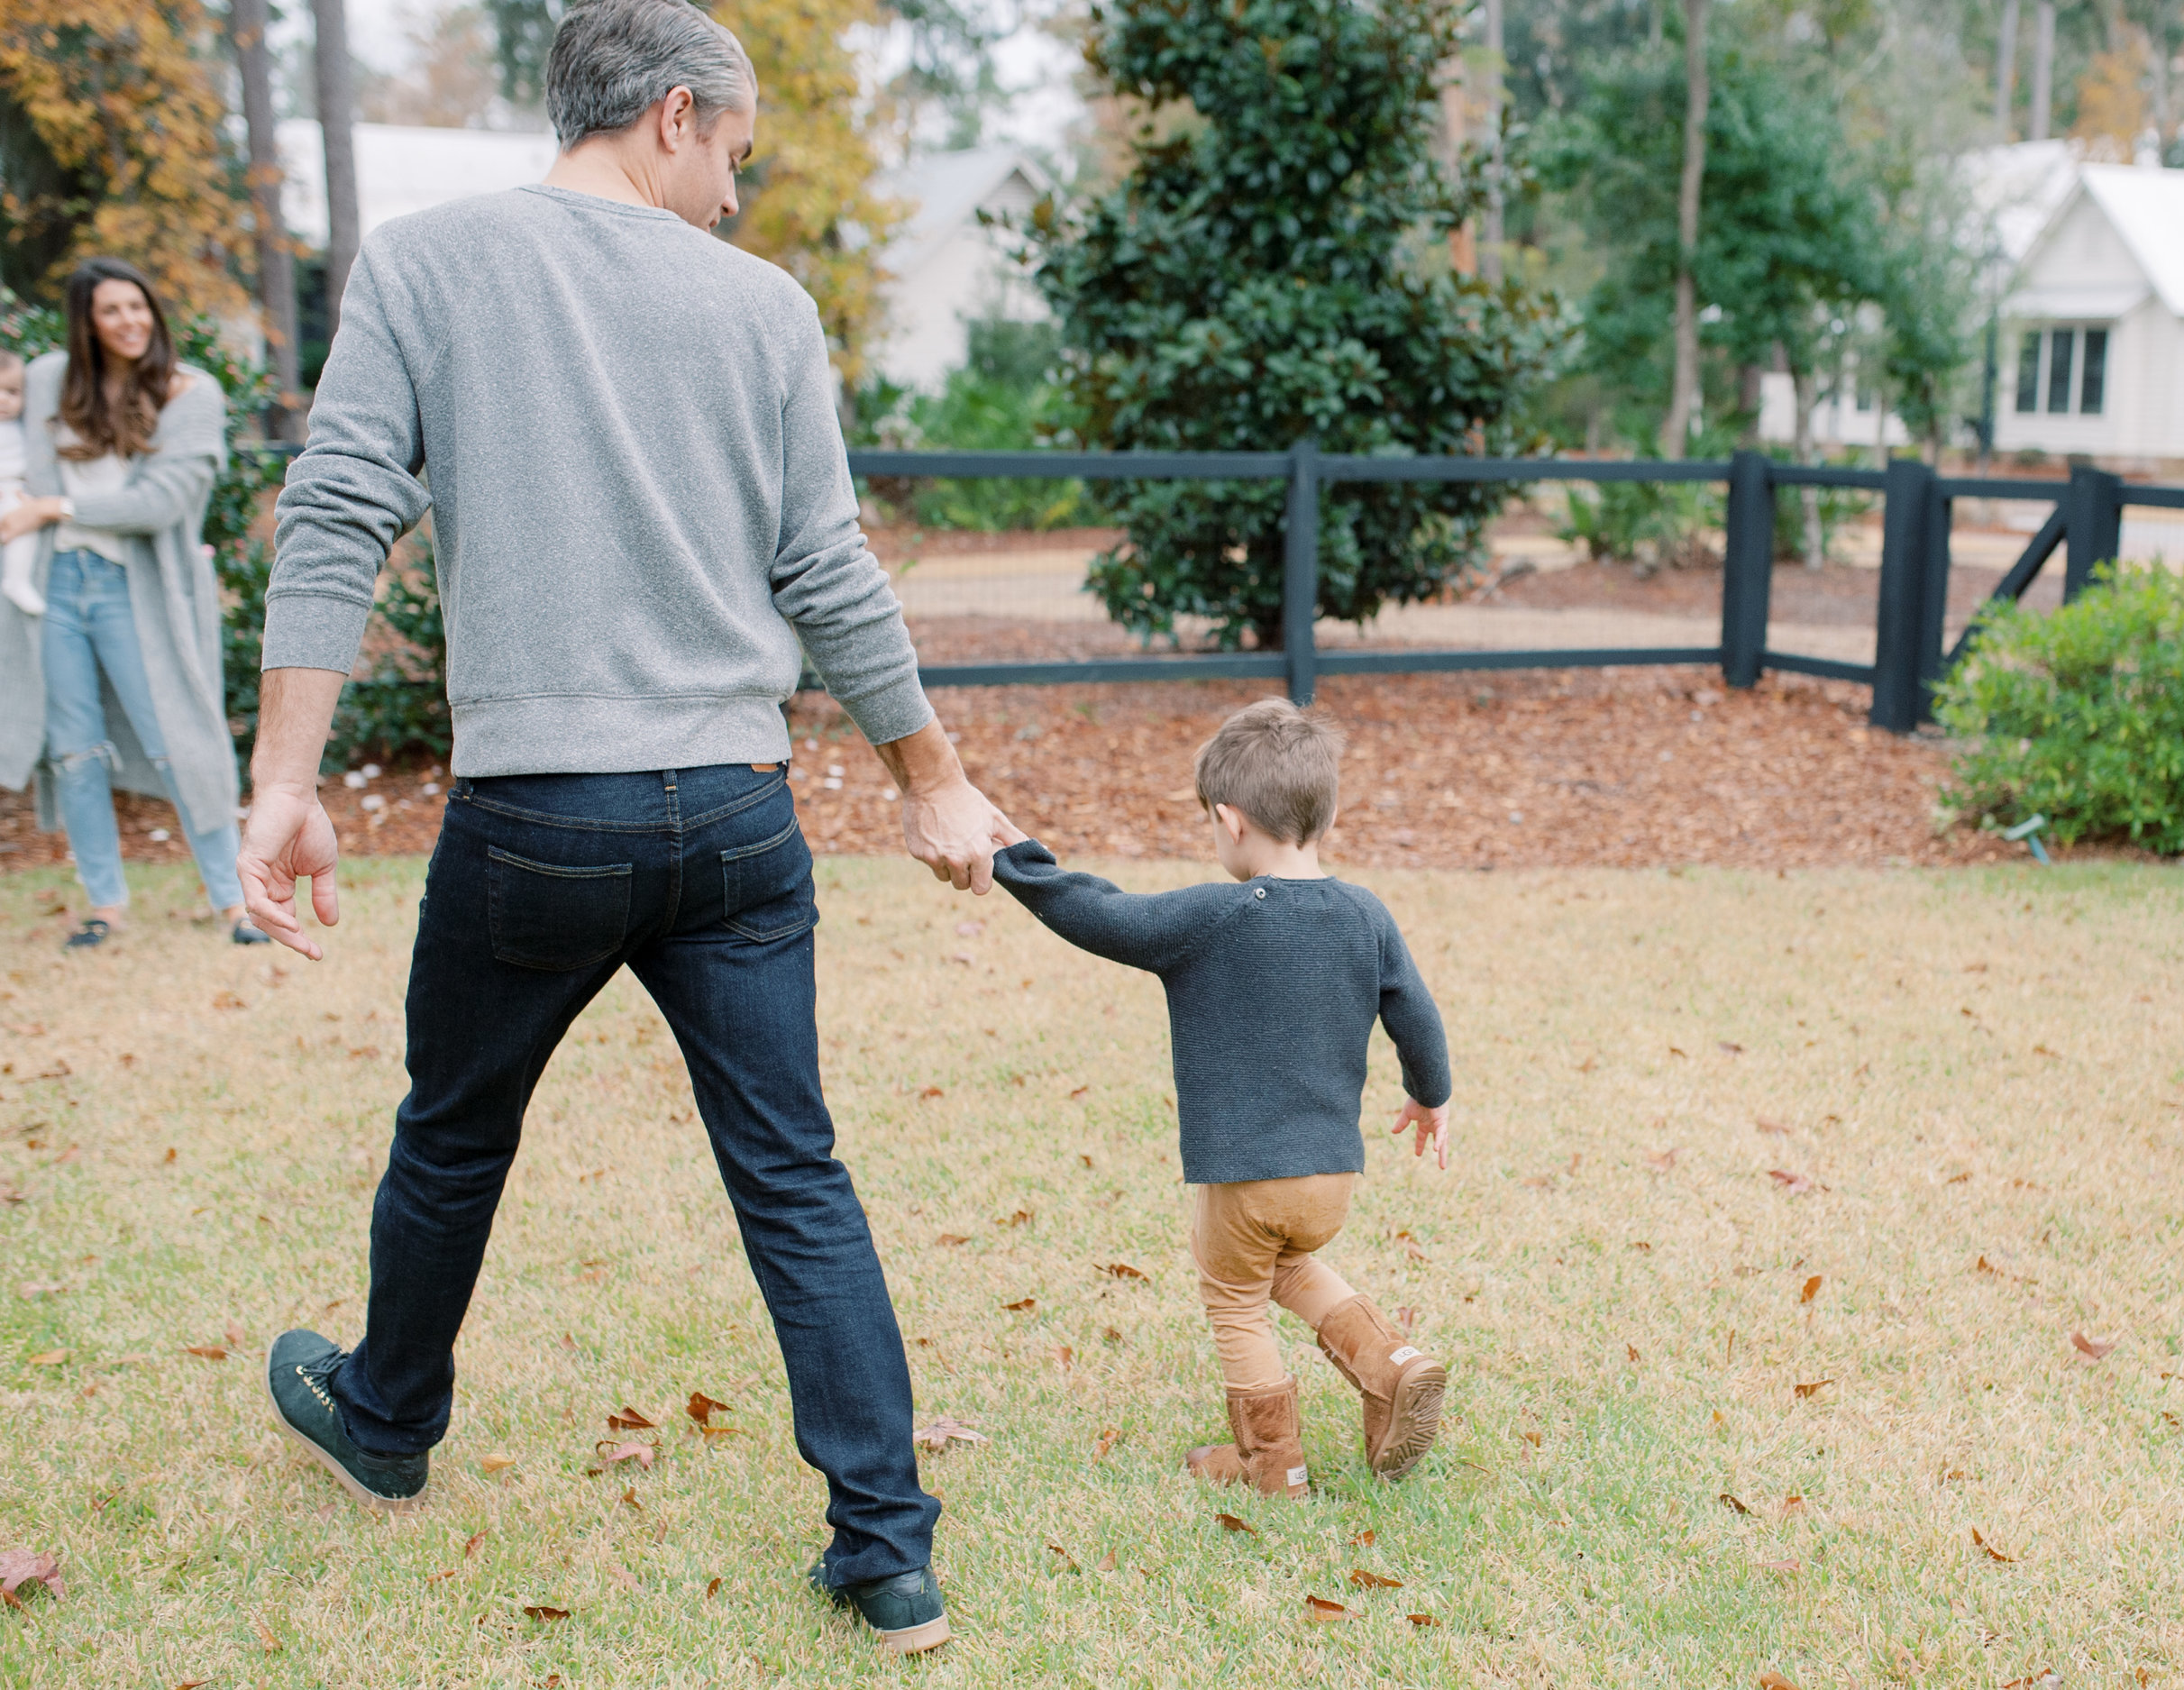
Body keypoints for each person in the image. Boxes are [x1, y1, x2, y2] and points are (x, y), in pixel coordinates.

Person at [239, 0, 1002, 1658]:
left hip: (537, 824)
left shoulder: (426, 265)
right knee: (794, 1174)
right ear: (670, 116)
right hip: (736, 818)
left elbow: (338, 517)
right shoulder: (765, 309)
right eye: (731, 154)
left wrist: (283, 783)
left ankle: (385, 1421)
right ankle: (888, 1554)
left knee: (453, 1137)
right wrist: (929, 779)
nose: (735, 195)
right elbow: (832, 576)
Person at [990, 699, 1454, 1496]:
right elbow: (1415, 1009)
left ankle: (1272, 1465)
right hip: (1330, 1179)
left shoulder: (1211, 916)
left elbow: (1098, 915)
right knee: (1290, 1261)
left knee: (1234, 1294)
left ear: (1230, 819)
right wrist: (1429, 1094)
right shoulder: (1365, 914)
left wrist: (1015, 860)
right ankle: (1390, 1362)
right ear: (1327, 811)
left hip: (1244, 1174)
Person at [0, 260, 268, 949]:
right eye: (111, 311)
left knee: (179, 737)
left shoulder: (190, 392)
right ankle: (105, 904)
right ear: (87, 322)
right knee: (75, 747)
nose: (129, 322)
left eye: (138, 307)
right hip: (52, 583)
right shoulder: (47, 380)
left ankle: (234, 899)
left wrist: (52, 506)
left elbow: (160, 503)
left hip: (136, 588)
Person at [0, 350, 43, 617]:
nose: (3, 399)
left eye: (13, 392)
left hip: (15, 493)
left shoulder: (24, 427)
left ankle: (17, 581)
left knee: (26, 533)